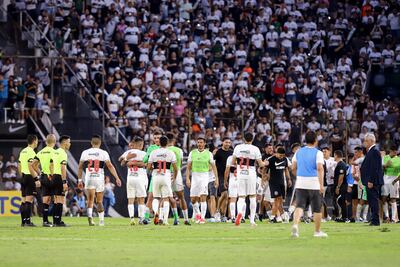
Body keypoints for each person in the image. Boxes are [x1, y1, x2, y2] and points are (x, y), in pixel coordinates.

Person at [77, 135, 122, 226]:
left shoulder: (85, 152)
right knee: (99, 201)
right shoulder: (103, 153)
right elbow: (110, 166)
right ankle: (101, 221)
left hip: (89, 177)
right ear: (100, 143)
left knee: (90, 199)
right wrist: (117, 177)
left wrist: (79, 180)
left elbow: (80, 167)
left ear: (91, 143)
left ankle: (90, 217)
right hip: (99, 178)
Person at [291, 131, 327, 238]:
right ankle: (317, 231)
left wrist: (299, 176)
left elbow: (293, 168)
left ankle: (295, 226)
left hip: (301, 181)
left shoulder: (298, 152)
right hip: (314, 182)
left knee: (299, 206)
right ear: (316, 140)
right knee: (316, 208)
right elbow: (320, 168)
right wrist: (321, 185)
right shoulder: (318, 153)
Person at [232, 132, 266, 226]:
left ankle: (239, 213)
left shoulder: (238, 147)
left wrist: (239, 166)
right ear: (252, 139)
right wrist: (266, 163)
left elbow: (232, 161)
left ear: (244, 138)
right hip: (250, 173)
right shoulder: (255, 149)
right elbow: (261, 164)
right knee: (252, 196)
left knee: (241, 196)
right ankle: (252, 220)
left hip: (240, 173)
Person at [186, 136, 218, 224]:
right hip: (195, 176)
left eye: (201, 142)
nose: (199, 144)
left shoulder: (209, 154)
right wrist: (188, 178)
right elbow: (188, 167)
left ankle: (202, 218)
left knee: (203, 196)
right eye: (198, 142)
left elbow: (214, 167)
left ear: (204, 144)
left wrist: (216, 179)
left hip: (204, 176)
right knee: (193, 199)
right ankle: (198, 214)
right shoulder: (192, 153)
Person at [147, 136, 178, 225]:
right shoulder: (170, 152)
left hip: (156, 176)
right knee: (166, 198)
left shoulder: (154, 152)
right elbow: (175, 168)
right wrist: (174, 177)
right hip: (166, 176)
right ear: (167, 143)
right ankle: (165, 220)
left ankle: (156, 212)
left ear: (159, 143)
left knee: (156, 197)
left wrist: (153, 168)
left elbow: (148, 168)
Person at [120, 137, 147, 225]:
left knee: (130, 199)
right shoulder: (143, 153)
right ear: (140, 145)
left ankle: (131, 218)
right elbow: (147, 164)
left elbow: (120, 161)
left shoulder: (128, 152)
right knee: (141, 199)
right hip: (140, 178)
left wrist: (127, 159)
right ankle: (141, 219)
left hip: (130, 178)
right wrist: (138, 163)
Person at [360, 133, 384, 226]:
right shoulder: (371, 151)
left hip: (372, 181)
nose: (364, 142)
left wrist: (371, 180)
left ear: (370, 141)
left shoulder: (374, 151)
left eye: (365, 140)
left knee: (373, 200)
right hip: (370, 181)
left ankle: (375, 221)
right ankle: (374, 219)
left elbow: (375, 168)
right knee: (371, 200)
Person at [166, 133, 190, 225]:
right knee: (181, 197)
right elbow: (179, 162)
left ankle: (176, 218)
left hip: (167, 173)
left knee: (168, 197)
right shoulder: (179, 150)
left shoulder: (164, 150)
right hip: (177, 173)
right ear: (174, 140)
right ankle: (186, 219)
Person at [34, 134, 56, 227]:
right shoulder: (55, 152)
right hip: (51, 177)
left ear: (46, 142)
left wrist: (40, 173)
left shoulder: (40, 152)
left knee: (45, 199)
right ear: (54, 142)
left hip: (43, 177)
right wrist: (51, 175)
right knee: (56, 199)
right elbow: (52, 165)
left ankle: (45, 221)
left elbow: (33, 165)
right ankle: (57, 220)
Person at [18, 135, 40, 227]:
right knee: (29, 200)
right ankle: (28, 221)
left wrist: (22, 176)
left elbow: (19, 165)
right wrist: (36, 178)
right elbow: (30, 165)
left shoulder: (23, 151)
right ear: (34, 141)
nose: (37, 142)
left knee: (23, 200)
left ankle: (23, 221)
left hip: (23, 176)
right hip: (30, 177)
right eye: (37, 140)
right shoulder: (32, 152)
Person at [265, 147, 291, 223]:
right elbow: (264, 169)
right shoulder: (271, 159)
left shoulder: (285, 159)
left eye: (282, 155)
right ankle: (273, 217)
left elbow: (286, 169)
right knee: (276, 199)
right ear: (276, 153)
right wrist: (264, 176)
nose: (281, 157)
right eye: (280, 155)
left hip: (282, 182)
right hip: (273, 182)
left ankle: (282, 216)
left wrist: (288, 179)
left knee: (280, 200)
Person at [51, 135, 71, 226]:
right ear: (64, 142)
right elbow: (63, 167)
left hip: (54, 176)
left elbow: (50, 165)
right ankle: (58, 222)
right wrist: (64, 182)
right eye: (69, 142)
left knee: (56, 200)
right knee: (60, 200)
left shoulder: (55, 152)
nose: (70, 144)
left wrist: (52, 176)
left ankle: (55, 221)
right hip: (59, 177)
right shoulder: (63, 153)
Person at [143, 131, 162, 223]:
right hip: (155, 175)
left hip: (165, 175)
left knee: (162, 198)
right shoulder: (151, 148)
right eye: (155, 138)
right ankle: (146, 217)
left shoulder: (166, 148)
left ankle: (160, 216)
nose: (157, 140)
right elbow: (145, 159)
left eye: (158, 138)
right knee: (150, 197)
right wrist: (150, 156)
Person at [213, 137, 233, 222]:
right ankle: (217, 212)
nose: (227, 144)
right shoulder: (218, 152)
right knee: (224, 193)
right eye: (226, 142)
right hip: (220, 175)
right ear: (222, 142)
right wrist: (215, 177)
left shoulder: (231, 153)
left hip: (230, 176)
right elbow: (212, 164)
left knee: (227, 196)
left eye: (229, 142)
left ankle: (223, 215)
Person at [382, 145, 400, 223]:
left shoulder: (399, 159)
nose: (395, 152)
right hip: (385, 179)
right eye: (394, 151)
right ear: (390, 150)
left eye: (396, 151)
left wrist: (396, 180)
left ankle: (393, 218)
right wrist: (386, 165)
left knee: (393, 199)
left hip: (394, 179)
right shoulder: (385, 158)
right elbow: (381, 168)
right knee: (384, 198)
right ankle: (386, 217)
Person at [333, 150, 352, 222]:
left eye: (334, 155)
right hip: (342, 186)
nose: (334, 157)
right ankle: (343, 217)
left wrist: (338, 187)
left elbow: (341, 176)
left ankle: (343, 217)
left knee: (339, 201)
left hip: (342, 186)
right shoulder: (341, 164)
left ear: (336, 155)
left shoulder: (341, 164)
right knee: (341, 201)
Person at [353, 146, 369, 222]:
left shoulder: (363, 159)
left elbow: (354, 163)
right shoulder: (360, 159)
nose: (355, 154)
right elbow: (354, 165)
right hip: (361, 182)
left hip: (364, 181)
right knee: (362, 199)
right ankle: (358, 217)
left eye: (356, 152)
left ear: (360, 152)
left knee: (366, 200)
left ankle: (363, 217)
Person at [322, 146, 336, 221]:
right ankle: (326, 215)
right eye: (323, 151)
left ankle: (334, 215)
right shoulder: (320, 160)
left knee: (333, 201)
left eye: (325, 151)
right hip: (324, 183)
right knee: (322, 200)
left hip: (332, 183)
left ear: (329, 152)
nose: (324, 153)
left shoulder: (333, 160)